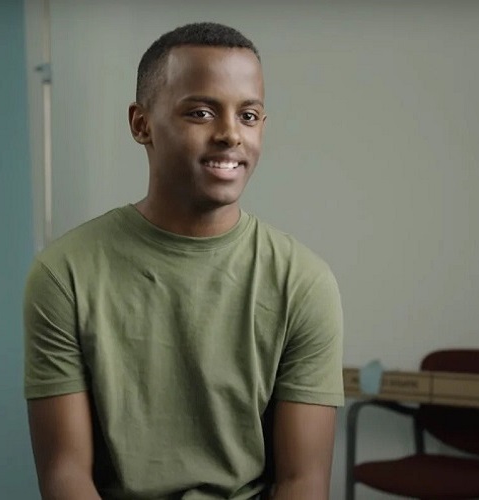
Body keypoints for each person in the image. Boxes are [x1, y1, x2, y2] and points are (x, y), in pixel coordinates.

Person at [24, 22, 344, 499]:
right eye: (201, 112)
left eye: (249, 115)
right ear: (142, 124)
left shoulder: (303, 282)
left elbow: (304, 481)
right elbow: (65, 473)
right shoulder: (64, 274)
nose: (230, 134)